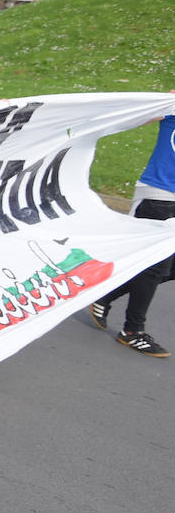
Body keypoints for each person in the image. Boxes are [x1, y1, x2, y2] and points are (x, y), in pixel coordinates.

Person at [89, 105, 175, 358]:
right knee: (155, 266)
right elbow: (134, 115)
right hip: (160, 195)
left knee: (168, 268)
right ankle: (132, 331)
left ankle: (105, 295)